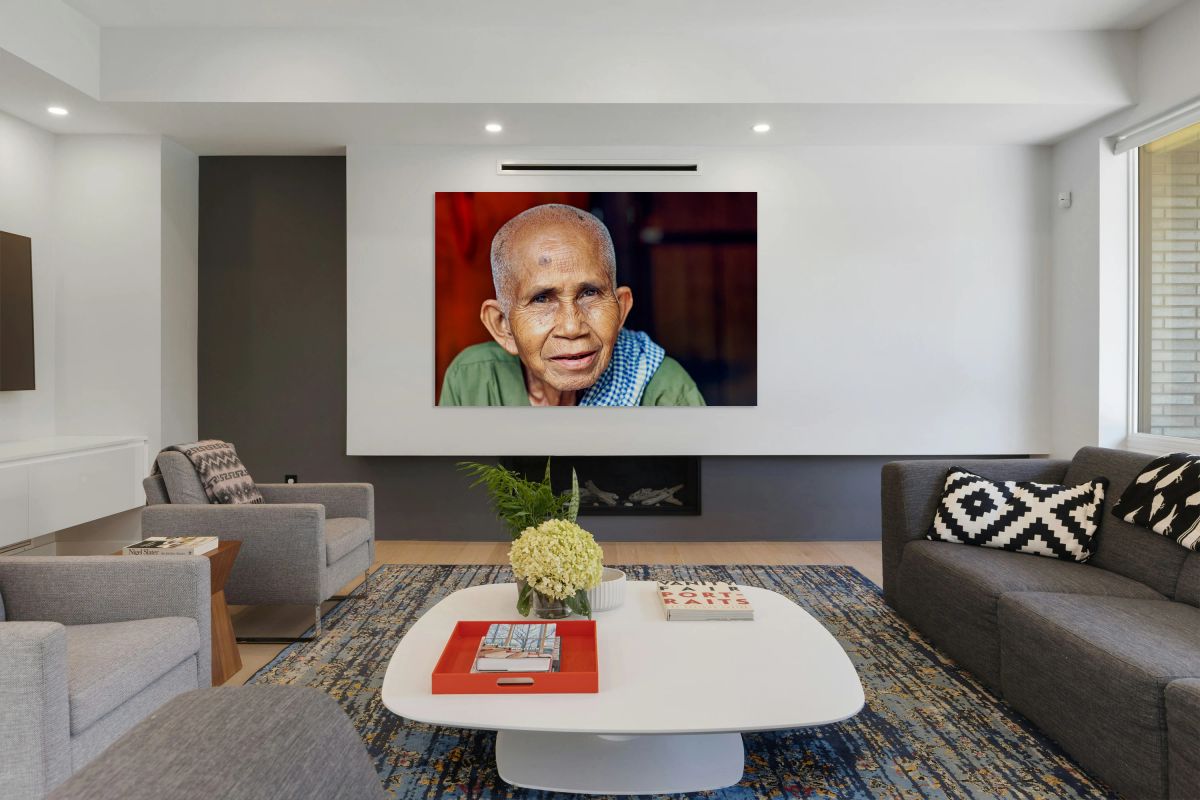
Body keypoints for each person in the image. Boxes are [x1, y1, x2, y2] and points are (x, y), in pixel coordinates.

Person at [439, 203, 704, 406]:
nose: (571, 326)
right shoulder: (473, 379)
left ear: (621, 309)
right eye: (542, 299)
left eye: (589, 293)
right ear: (502, 325)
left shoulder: (666, 392)